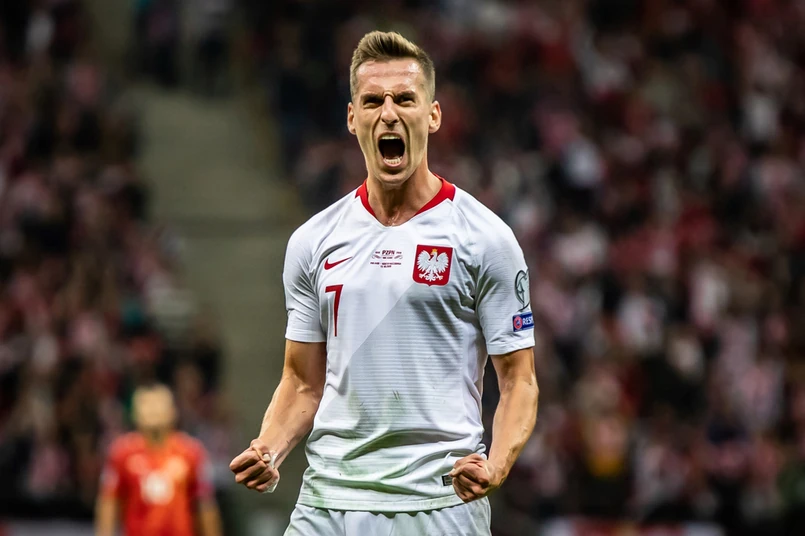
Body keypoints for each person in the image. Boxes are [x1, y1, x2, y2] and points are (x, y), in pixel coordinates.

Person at [229, 31, 540, 535]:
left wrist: (496, 464)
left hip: (437, 505)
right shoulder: (313, 241)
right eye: (373, 101)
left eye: (404, 99)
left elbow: (519, 382)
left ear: (432, 116)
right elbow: (302, 382)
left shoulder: (486, 238)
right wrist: (269, 448)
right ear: (353, 118)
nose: (389, 113)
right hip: (327, 502)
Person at [96, 384, 222, 536]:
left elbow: (205, 504)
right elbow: (109, 501)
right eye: (146, 404)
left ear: (173, 411)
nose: (153, 410)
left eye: (158, 404)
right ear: (135, 412)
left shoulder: (192, 452)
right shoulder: (121, 453)